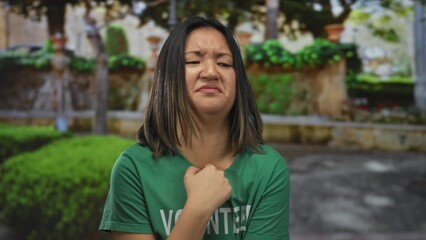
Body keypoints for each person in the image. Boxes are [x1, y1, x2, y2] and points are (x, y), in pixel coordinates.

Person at [99, 16, 290, 240]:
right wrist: (198, 209)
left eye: (224, 63)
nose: (210, 72)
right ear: (167, 78)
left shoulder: (267, 169)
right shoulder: (134, 169)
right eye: (193, 61)